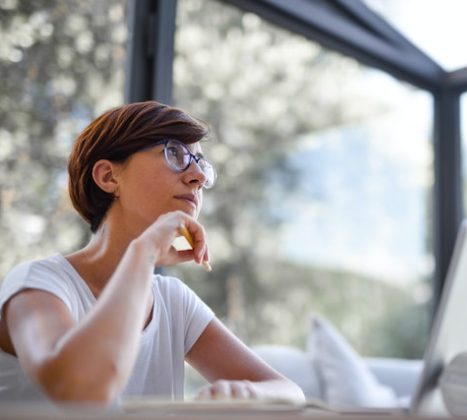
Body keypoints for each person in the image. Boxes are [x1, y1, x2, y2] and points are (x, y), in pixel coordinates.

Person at [0, 101, 305, 405]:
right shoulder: (38, 283)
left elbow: (289, 392)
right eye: (175, 153)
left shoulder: (173, 301)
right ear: (108, 177)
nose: (198, 177)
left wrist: (247, 393)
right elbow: (82, 391)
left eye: (200, 163)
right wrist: (144, 252)